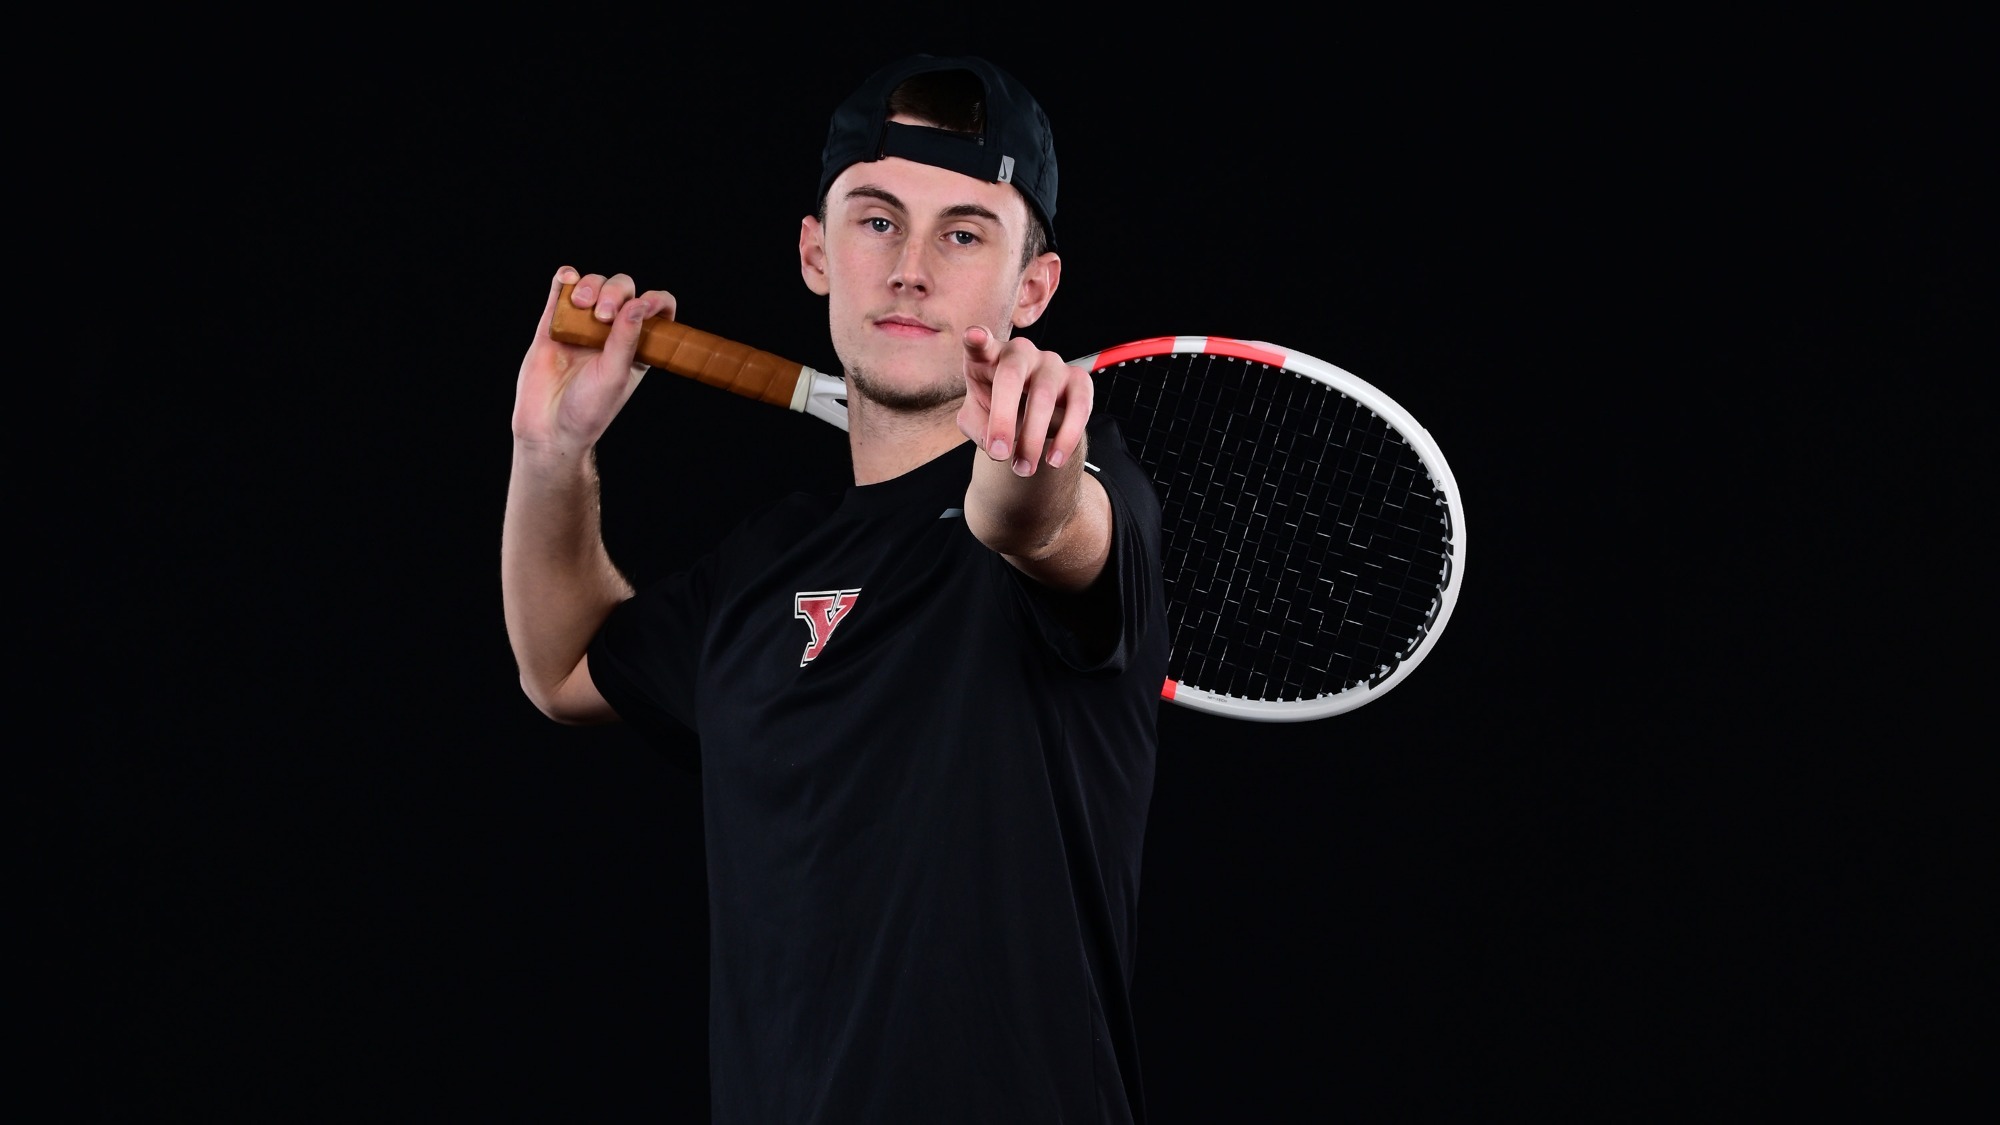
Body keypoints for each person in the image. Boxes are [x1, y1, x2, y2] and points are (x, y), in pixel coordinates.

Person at [502, 53, 1168, 1124]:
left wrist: (1030, 465)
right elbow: (564, 667)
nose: (910, 269)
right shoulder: (767, 563)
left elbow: (1035, 523)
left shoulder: (1095, 490)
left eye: (963, 234)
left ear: (1032, 289)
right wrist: (551, 451)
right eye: (876, 221)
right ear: (817, 251)